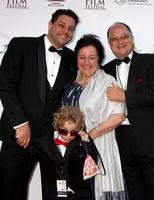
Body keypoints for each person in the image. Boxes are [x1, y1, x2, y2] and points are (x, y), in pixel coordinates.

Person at [0, 9, 79, 200]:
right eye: (61, 25)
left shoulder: (71, 58)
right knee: (10, 190)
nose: (65, 31)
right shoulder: (21, 45)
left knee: (55, 193)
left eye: (71, 29)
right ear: (50, 24)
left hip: (50, 141)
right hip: (18, 136)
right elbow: (5, 84)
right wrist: (20, 124)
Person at [102, 22, 154, 200]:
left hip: (148, 139)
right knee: (134, 192)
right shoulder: (104, 70)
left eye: (124, 36)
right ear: (109, 43)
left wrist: (125, 96)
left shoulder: (150, 61)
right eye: (114, 38)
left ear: (132, 38)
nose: (120, 41)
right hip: (120, 139)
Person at [61, 34, 127, 200]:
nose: (86, 62)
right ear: (76, 59)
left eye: (92, 57)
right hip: (70, 149)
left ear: (99, 59)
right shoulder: (70, 82)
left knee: (95, 192)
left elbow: (119, 114)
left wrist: (92, 134)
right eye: (82, 57)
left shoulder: (107, 81)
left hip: (98, 146)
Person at [32, 105, 98, 200]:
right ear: (57, 126)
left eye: (73, 133)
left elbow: (92, 165)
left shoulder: (82, 143)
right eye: (63, 131)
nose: (68, 136)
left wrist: (87, 144)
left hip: (79, 193)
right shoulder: (43, 143)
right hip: (53, 193)